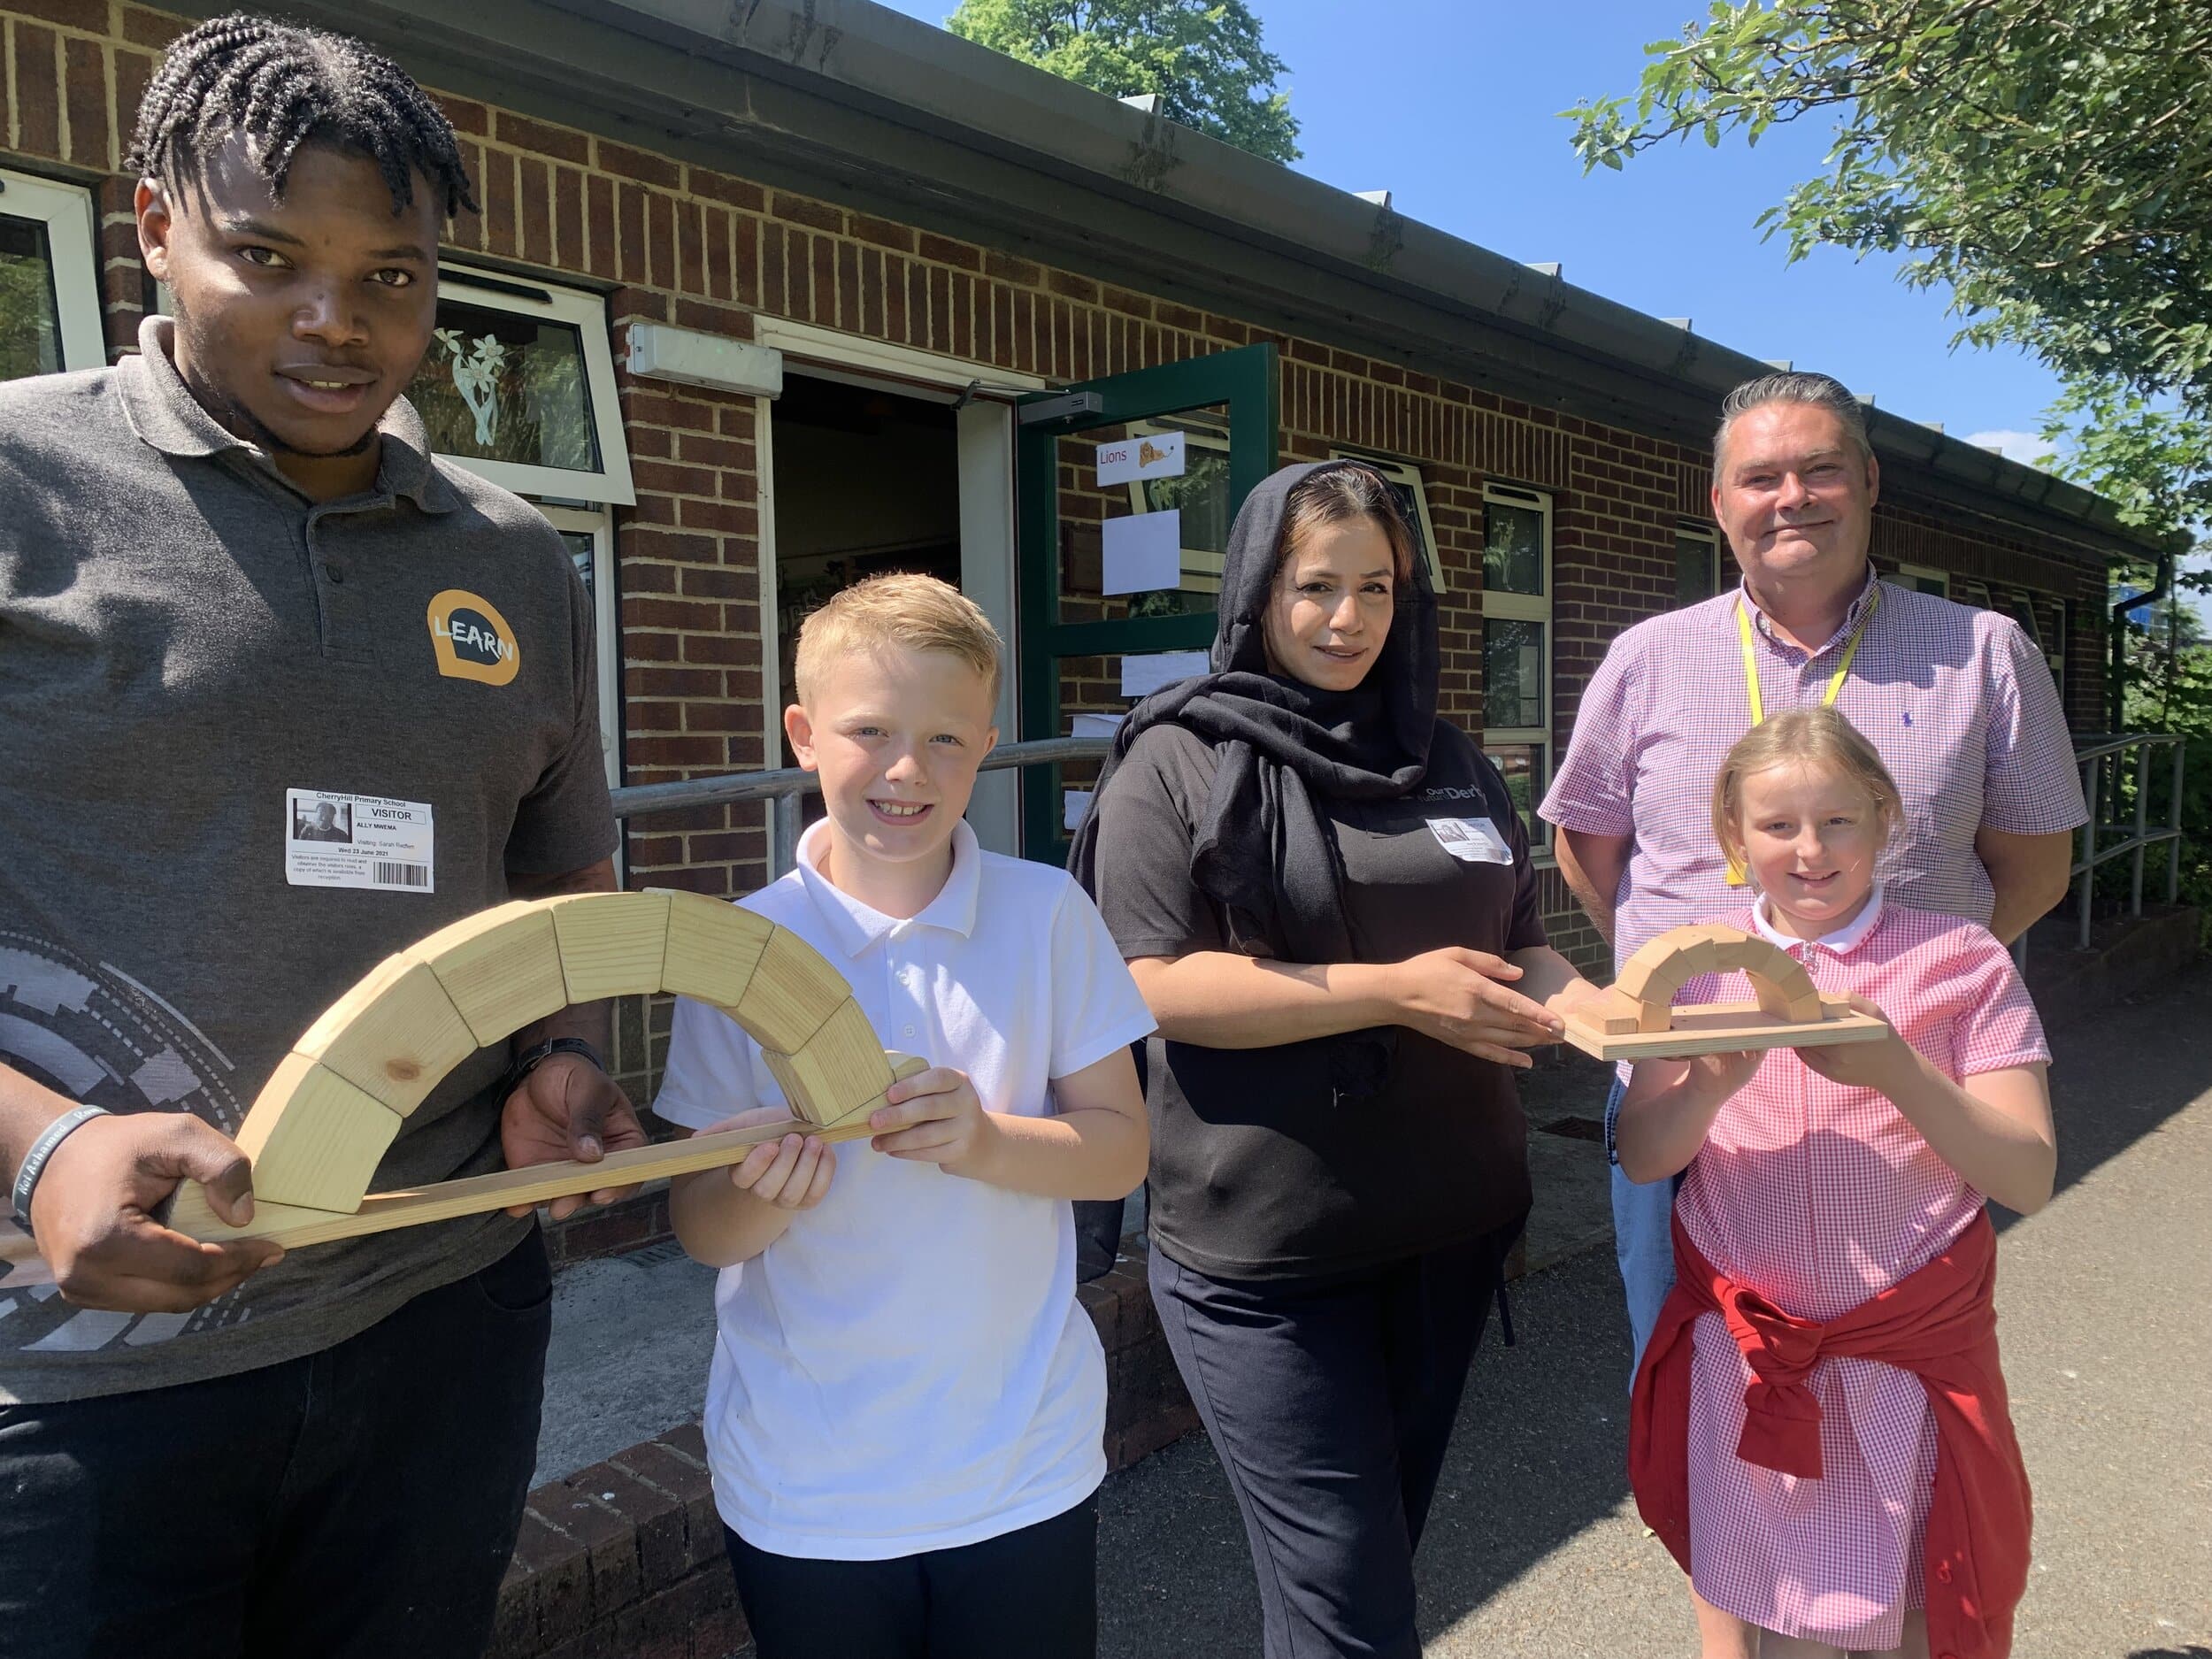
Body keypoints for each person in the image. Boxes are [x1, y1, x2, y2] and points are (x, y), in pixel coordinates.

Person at [0, 18, 640, 1657]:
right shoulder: (17, 481)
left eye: (393, 276)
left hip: (439, 1314)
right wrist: (40, 1143)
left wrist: (565, 1051)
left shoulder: (510, 560)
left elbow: (561, 872)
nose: (335, 322)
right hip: (75, 1377)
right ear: (154, 227)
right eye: (268, 256)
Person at [1072, 461, 1600, 1659]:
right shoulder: (1178, 756)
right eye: (1317, 585)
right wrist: (1397, 995)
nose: (1349, 617)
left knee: (1359, 1581)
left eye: (1378, 585)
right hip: (1269, 1253)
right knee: (1354, 1608)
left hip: (1449, 1228)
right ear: (1260, 587)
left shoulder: (1448, 753)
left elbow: (1519, 942)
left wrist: (1615, 1014)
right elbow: (1148, 983)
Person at [1540, 370, 2084, 1371]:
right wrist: (1693, 981)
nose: (1789, 496)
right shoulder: (1646, 657)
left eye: (1819, 469)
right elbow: (1588, 853)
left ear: (1870, 482)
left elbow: (2036, 868)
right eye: (1758, 477)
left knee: (1890, 1369)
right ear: (1718, 502)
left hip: (1903, 1085)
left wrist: (1910, 980)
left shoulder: (1982, 652)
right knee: (1686, 1370)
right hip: (1690, 1082)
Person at [655, 574, 1155, 1659]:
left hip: (1019, 1463)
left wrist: (985, 1140)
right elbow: (700, 1227)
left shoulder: (1046, 913)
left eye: (942, 738)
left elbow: (1120, 1151)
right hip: (806, 1477)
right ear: (801, 734)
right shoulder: (740, 950)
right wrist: (758, 1193)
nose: (904, 770)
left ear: (986, 741)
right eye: (868, 730)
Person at [1618, 707, 2050, 1659]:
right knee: (1779, 1617)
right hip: (1754, 1368)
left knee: (1916, 1611)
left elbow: (2028, 1172)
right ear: (1735, 836)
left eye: (1837, 821)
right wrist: (1711, 1085)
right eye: (1777, 826)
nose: (1809, 850)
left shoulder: (1960, 962)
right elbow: (1643, 1154)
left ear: (1884, 818)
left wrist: (1898, 1069)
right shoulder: (1697, 973)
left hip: (1902, 1369)